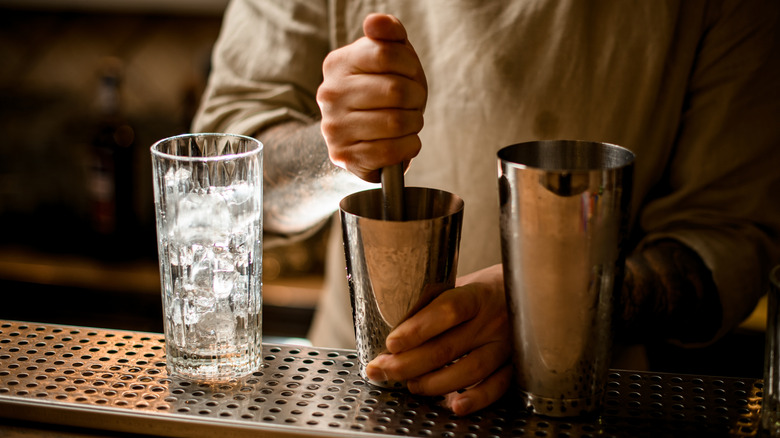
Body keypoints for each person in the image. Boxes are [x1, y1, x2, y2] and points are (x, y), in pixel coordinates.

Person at [193, 1, 780, 415]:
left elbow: (727, 240)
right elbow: (214, 187)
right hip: (351, 394)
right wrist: (335, 151)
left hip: (589, 403)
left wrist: (546, 308)